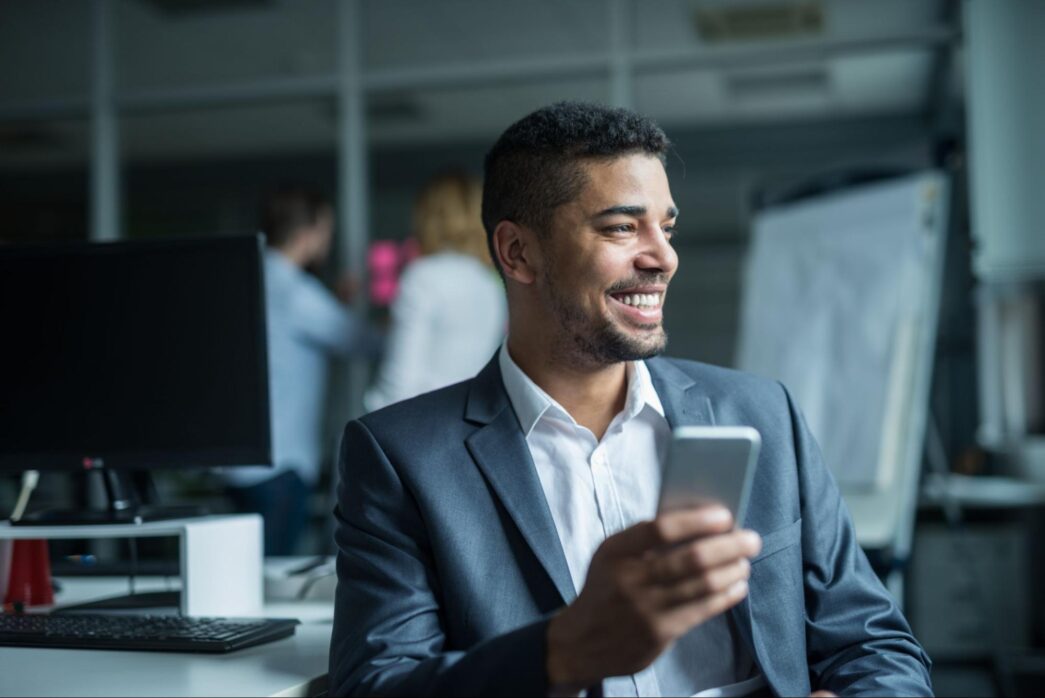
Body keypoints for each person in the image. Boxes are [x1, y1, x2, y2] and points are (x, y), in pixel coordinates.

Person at [329, 103, 932, 696]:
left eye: (665, 227)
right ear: (518, 252)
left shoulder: (763, 414)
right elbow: (376, 686)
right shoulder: (399, 458)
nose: (664, 257)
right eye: (621, 227)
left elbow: (875, 647)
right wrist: (563, 652)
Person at [224, 185, 380, 556]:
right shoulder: (295, 291)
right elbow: (360, 341)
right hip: (279, 466)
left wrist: (332, 304)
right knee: (271, 583)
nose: (328, 239)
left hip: (237, 462)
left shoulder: (245, 278)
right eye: (326, 229)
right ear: (307, 232)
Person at [364, 173, 506, 411]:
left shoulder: (422, 276)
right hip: (467, 426)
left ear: (427, 218)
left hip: (418, 428)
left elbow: (399, 384)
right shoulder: (490, 283)